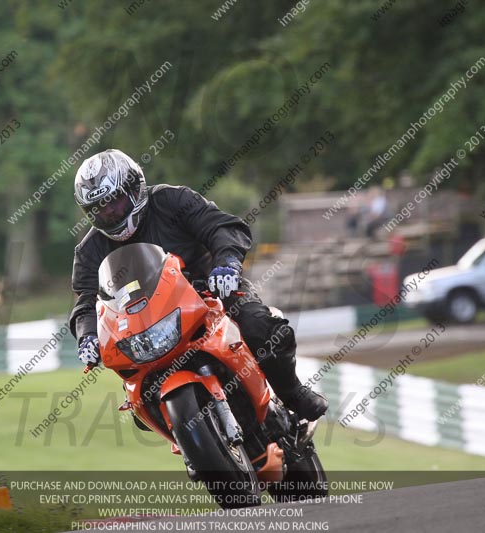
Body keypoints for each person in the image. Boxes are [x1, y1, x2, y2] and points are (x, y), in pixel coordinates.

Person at [69, 149, 328, 421]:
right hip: (145, 327)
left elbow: (222, 227)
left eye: (115, 201)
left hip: (211, 293)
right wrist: (87, 335)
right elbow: (85, 301)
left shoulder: (172, 200)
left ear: (134, 187)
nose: (109, 212)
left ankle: (292, 393)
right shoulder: (89, 250)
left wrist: (227, 263)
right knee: (138, 398)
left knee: (257, 326)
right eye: (99, 208)